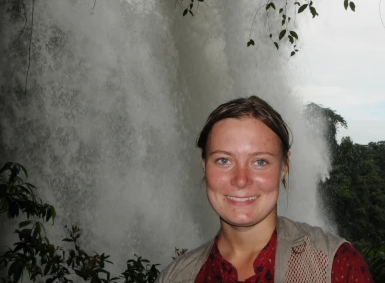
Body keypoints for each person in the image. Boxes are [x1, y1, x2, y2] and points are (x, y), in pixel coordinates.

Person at [156, 96, 373, 283]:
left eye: (260, 162)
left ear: (283, 167)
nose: (241, 180)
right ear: (204, 164)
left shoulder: (337, 266)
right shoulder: (175, 277)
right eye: (223, 160)